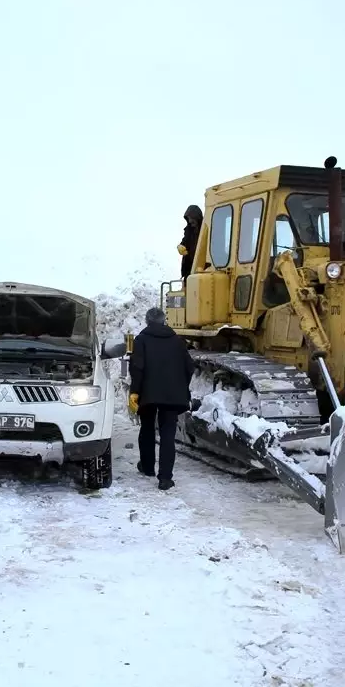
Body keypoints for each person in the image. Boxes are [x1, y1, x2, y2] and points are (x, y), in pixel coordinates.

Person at [127, 306, 195, 490]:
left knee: (147, 429)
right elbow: (190, 367)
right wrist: (181, 386)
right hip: (172, 395)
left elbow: (137, 368)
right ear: (164, 321)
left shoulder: (141, 340)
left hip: (149, 394)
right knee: (167, 435)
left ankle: (147, 467)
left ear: (147, 321)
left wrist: (135, 391)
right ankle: (165, 478)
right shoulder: (177, 341)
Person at [178, 205, 203, 281]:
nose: (190, 221)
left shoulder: (205, 229)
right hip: (189, 268)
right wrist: (180, 246)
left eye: (191, 218)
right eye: (188, 218)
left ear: (197, 218)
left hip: (202, 268)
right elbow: (184, 241)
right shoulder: (188, 230)